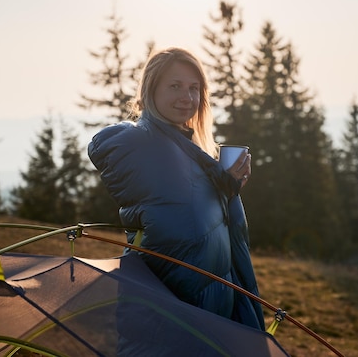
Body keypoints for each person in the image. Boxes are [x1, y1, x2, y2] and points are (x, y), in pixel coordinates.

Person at [87, 48, 265, 349]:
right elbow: (114, 146)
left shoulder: (190, 152)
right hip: (170, 319)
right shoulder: (147, 146)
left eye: (194, 88)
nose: (187, 97)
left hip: (208, 312)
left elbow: (192, 215)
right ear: (150, 90)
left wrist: (227, 185)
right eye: (175, 86)